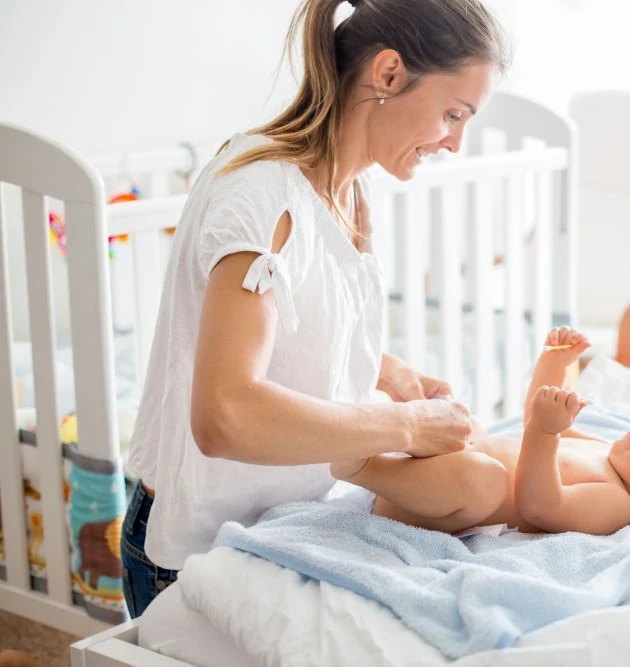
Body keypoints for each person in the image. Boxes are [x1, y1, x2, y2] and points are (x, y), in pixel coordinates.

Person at [121, 0, 510, 618]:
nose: (456, 142)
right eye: (453, 114)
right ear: (387, 74)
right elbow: (224, 415)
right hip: (195, 544)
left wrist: (390, 374)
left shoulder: (345, 191)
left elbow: (298, 320)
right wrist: (405, 426)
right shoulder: (262, 196)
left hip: (275, 525)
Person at [333, 328, 630, 535]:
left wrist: (545, 432)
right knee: (469, 424)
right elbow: (535, 418)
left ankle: (364, 466)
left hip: (434, 503)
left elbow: (540, 506)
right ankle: (405, 421)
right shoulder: (604, 450)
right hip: (441, 465)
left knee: (483, 481)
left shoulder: (613, 504)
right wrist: (555, 365)